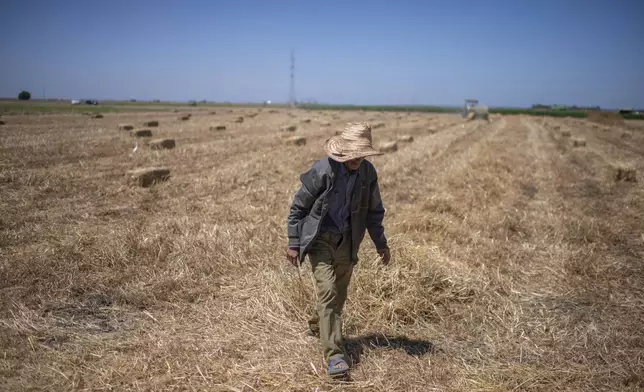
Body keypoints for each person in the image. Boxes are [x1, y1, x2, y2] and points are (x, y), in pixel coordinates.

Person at [286, 122, 391, 377]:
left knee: (337, 296)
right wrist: (293, 242)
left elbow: (374, 213)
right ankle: (335, 356)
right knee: (329, 291)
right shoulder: (323, 170)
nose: (357, 159)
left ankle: (317, 324)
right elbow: (298, 207)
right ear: (343, 151)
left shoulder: (368, 174)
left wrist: (381, 244)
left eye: (361, 154)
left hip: (348, 240)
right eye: (352, 154)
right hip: (320, 240)